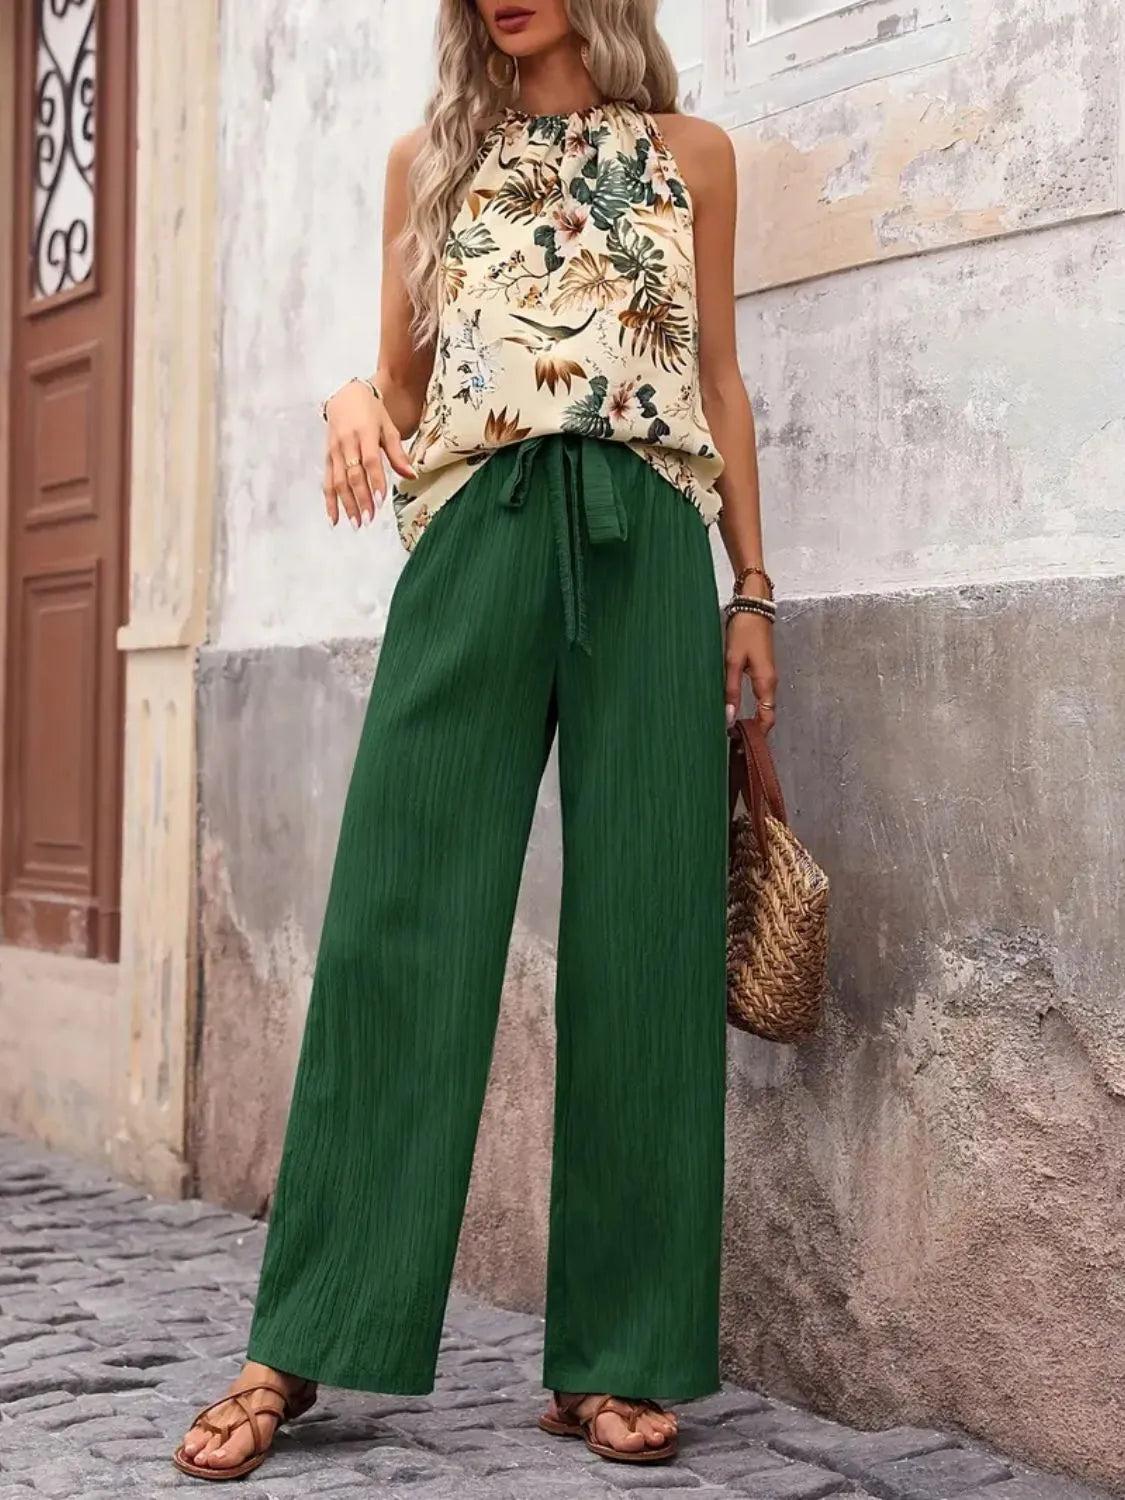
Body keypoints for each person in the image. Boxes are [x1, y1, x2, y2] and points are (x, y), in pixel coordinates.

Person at [173, 0, 777, 1481]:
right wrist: (337, 395)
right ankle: (300, 1336)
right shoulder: (431, 161)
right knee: (401, 921)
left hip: (646, 544)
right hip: (477, 539)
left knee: (646, 939)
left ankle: (615, 1360)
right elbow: (397, 375)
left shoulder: (691, 154)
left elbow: (715, 378)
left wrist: (752, 590)